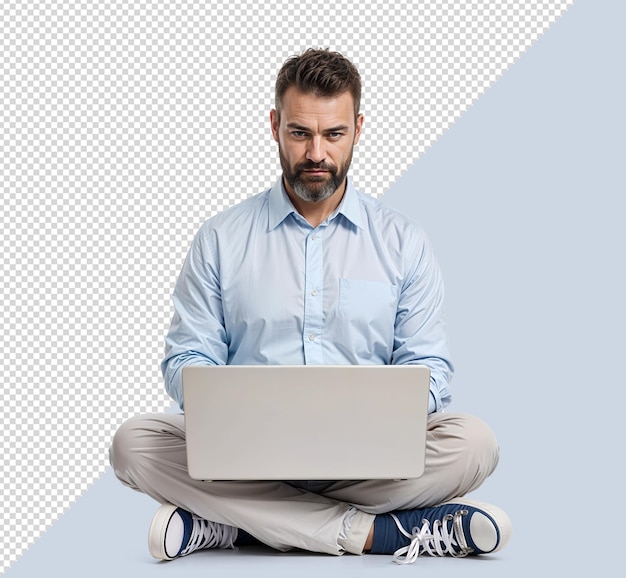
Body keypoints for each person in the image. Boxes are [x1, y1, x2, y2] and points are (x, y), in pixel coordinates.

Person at [109, 48, 512, 564]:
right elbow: (186, 359)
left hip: (369, 461)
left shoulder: (403, 241)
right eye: (300, 133)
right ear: (275, 125)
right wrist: (227, 405)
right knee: (134, 444)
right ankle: (383, 535)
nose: (316, 153)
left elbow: (430, 368)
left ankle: (233, 524)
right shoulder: (220, 239)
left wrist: (382, 413)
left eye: (334, 134)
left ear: (359, 129)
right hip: (247, 455)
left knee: (474, 443)